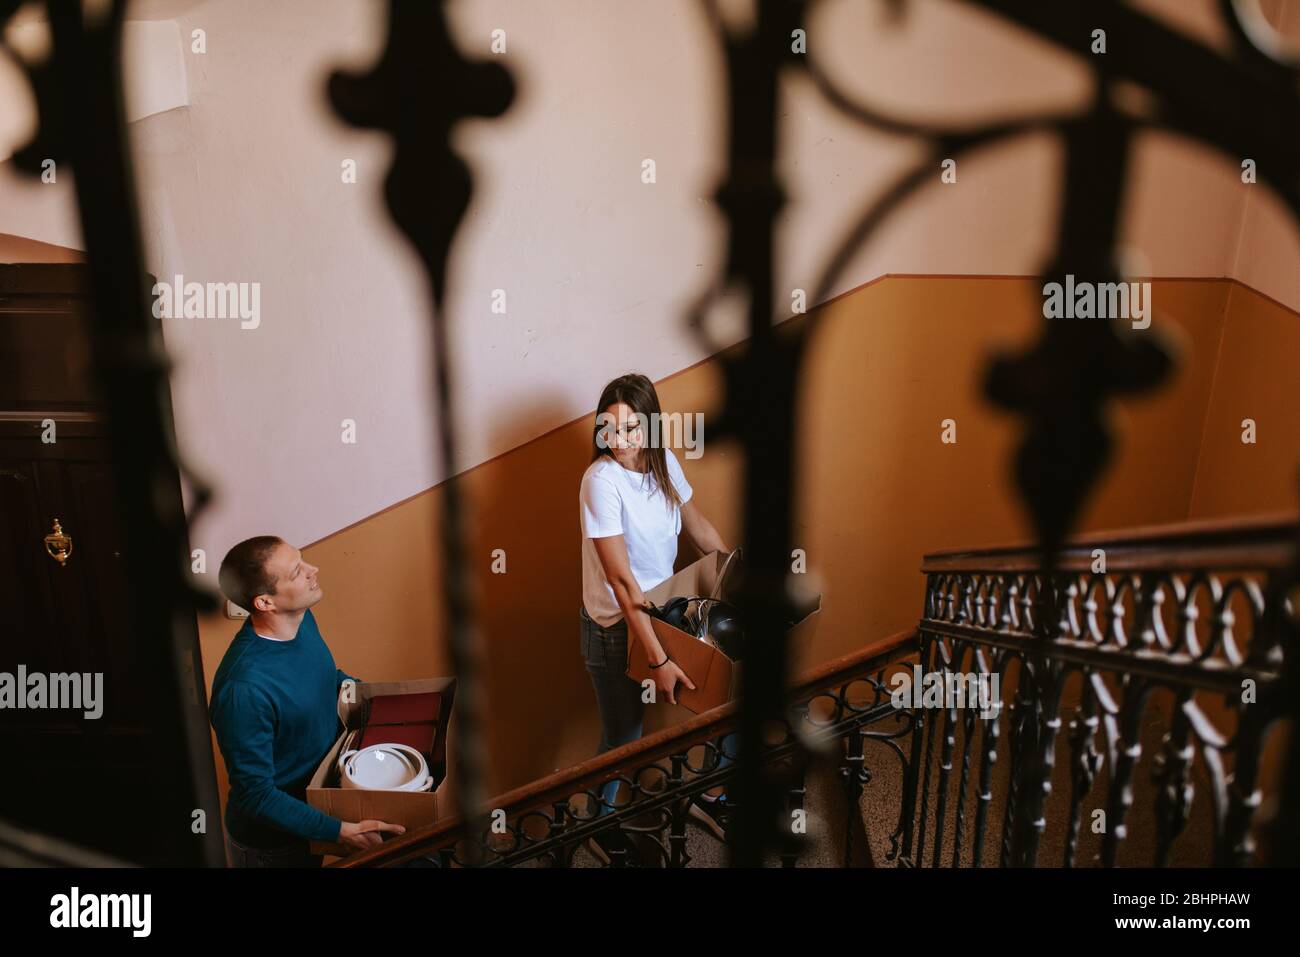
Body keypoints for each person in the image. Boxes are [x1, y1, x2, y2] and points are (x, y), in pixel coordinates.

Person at [579, 373, 735, 864]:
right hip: (615, 629)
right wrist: (659, 658)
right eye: (609, 429)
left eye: (631, 428)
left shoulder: (663, 462)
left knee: (722, 698)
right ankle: (600, 827)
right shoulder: (600, 481)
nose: (619, 441)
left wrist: (738, 572)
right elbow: (623, 585)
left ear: (651, 426)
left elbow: (698, 526)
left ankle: (711, 796)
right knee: (625, 735)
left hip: (665, 611)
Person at [210, 535, 405, 866]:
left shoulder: (301, 621)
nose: (314, 570)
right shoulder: (243, 689)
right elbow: (255, 794)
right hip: (273, 843)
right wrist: (337, 830)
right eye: (297, 571)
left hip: (320, 798)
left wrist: (363, 692)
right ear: (265, 603)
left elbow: (324, 674)